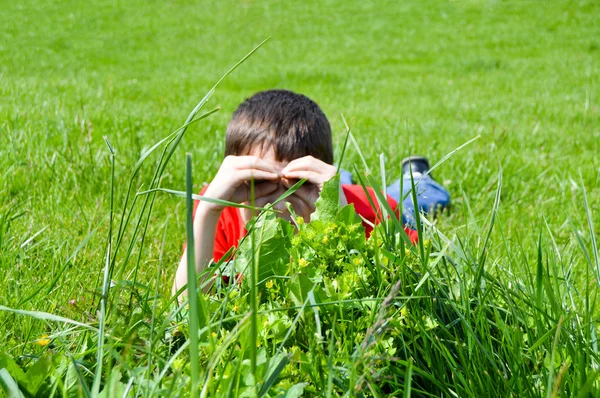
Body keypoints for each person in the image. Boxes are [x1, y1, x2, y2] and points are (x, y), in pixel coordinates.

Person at [173, 90, 432, 295]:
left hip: (369, 198)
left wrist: (342, 221)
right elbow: (186, 306)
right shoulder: (217, 209)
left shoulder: (372, 211)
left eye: (298, 182)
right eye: (258, 182)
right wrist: (208, 210)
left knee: (416, 194)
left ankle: (417, 174)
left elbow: (415, 283)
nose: (279, 203)